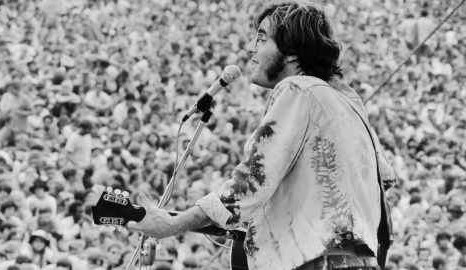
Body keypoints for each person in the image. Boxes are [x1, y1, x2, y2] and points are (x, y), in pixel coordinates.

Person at [127, 2, 396, 270]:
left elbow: (252, 182)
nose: (250, 48)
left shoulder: (297, 88)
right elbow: (384, 178)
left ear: (291, 51)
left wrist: (173, 224)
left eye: (261, 37)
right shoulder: (347, 100)